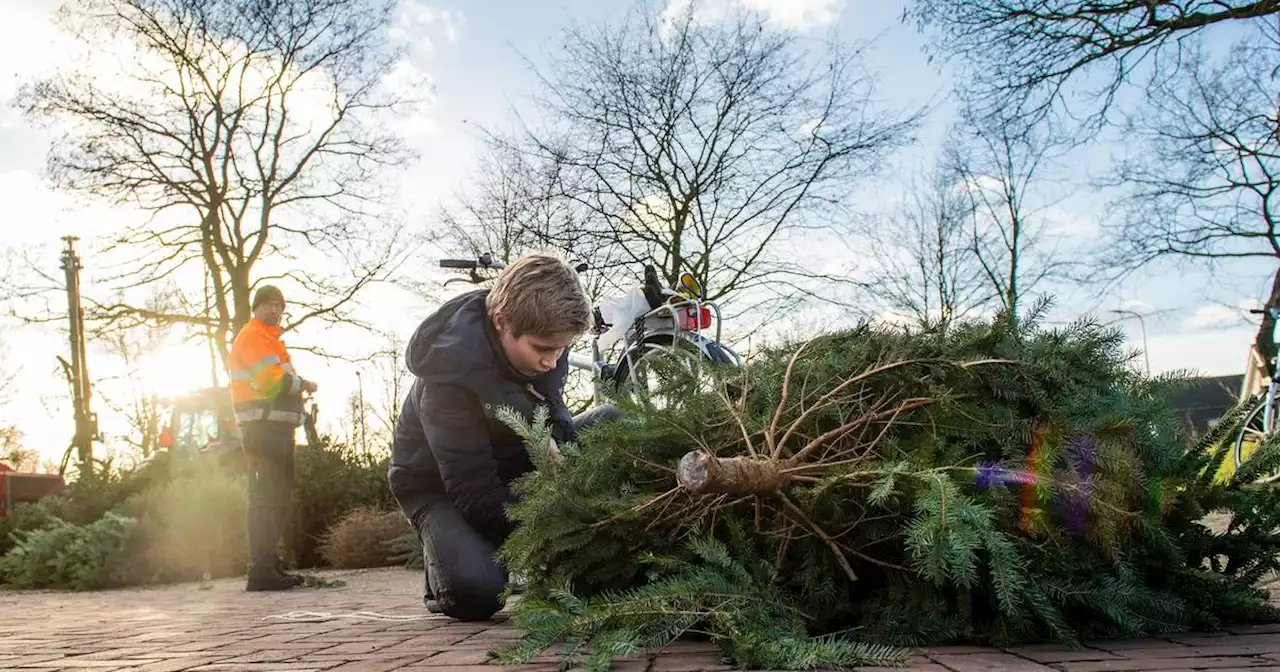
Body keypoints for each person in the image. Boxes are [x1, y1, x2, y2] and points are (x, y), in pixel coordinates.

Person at [388, 253, 621, 621]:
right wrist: (571, 522)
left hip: (514, 458)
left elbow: (554, 407)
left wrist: (558, 438)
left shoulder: (547, 340)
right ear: (501, 323)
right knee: (477, 591)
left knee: (614, 421)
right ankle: (443, 570)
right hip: (442, 488)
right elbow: (475, 494)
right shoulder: (447, 380)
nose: (552, 361)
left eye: (562, 349)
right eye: (543, 349)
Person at [229, 284, 318, 591]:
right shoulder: (253, 337)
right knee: (265, 499)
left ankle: (269, 564)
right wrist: (302, 383)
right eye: (267, 304)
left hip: (277, 430)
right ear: (256, 308)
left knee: (276, 499)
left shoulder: (271, 341)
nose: (274, 310)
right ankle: (261, 569)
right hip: (262, 431)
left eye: (279, 305)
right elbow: (270, 384)